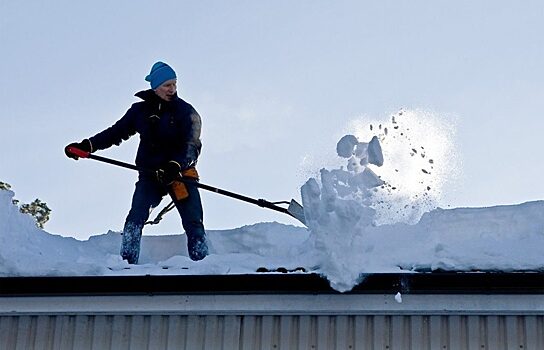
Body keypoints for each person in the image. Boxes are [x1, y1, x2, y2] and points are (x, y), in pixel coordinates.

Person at [65, 61, 208, 264]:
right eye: (167, 85)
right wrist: (88, 145)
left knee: (193, 221)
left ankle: (202, 264)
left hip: (180, 175)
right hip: (150, 176)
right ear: (155, 87)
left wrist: (176, 165)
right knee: (135, 218)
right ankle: (127, 264)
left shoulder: (187, 112)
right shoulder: (140, 111)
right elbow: (116, 132)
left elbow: (191, 145)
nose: (172, 89)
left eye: (175, 84)